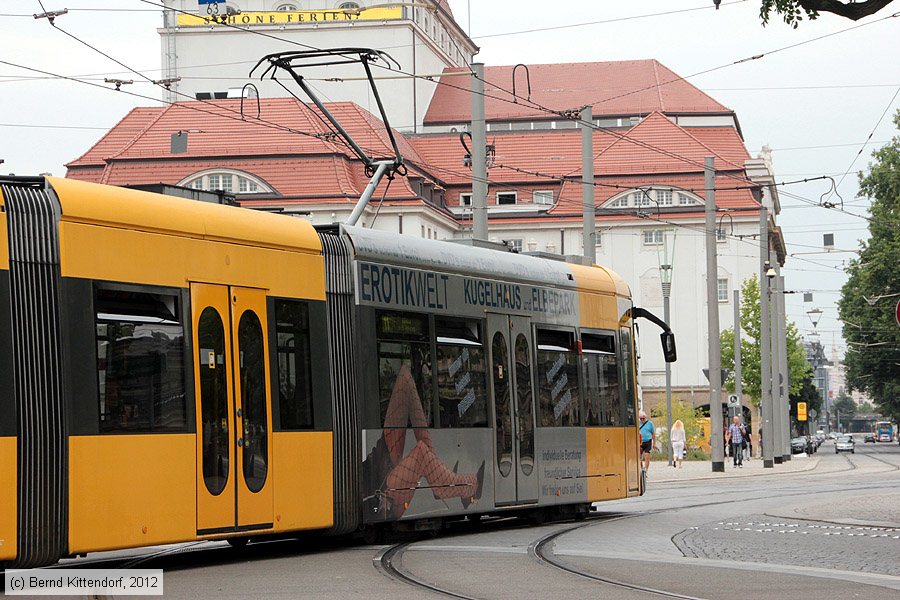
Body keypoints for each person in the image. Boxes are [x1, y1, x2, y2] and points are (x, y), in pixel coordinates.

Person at [363, 364, 485, 520]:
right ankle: (464, 484)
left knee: (405, 377)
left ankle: (438, 479)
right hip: (381, 490)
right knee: (421, 452)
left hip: (376, 461)